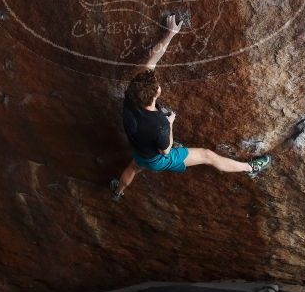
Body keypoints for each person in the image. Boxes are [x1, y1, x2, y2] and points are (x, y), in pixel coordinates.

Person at [110, 14, 272, 201]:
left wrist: (169, 34)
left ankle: (117, 192)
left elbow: (150, 62)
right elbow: (166, 150)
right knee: (207, 155)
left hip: (139, 150)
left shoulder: (131, 96)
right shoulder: (159, 123)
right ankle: (251, 168)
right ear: (156, 94)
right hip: (157, 158)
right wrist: (170, 123)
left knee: (133, 168)